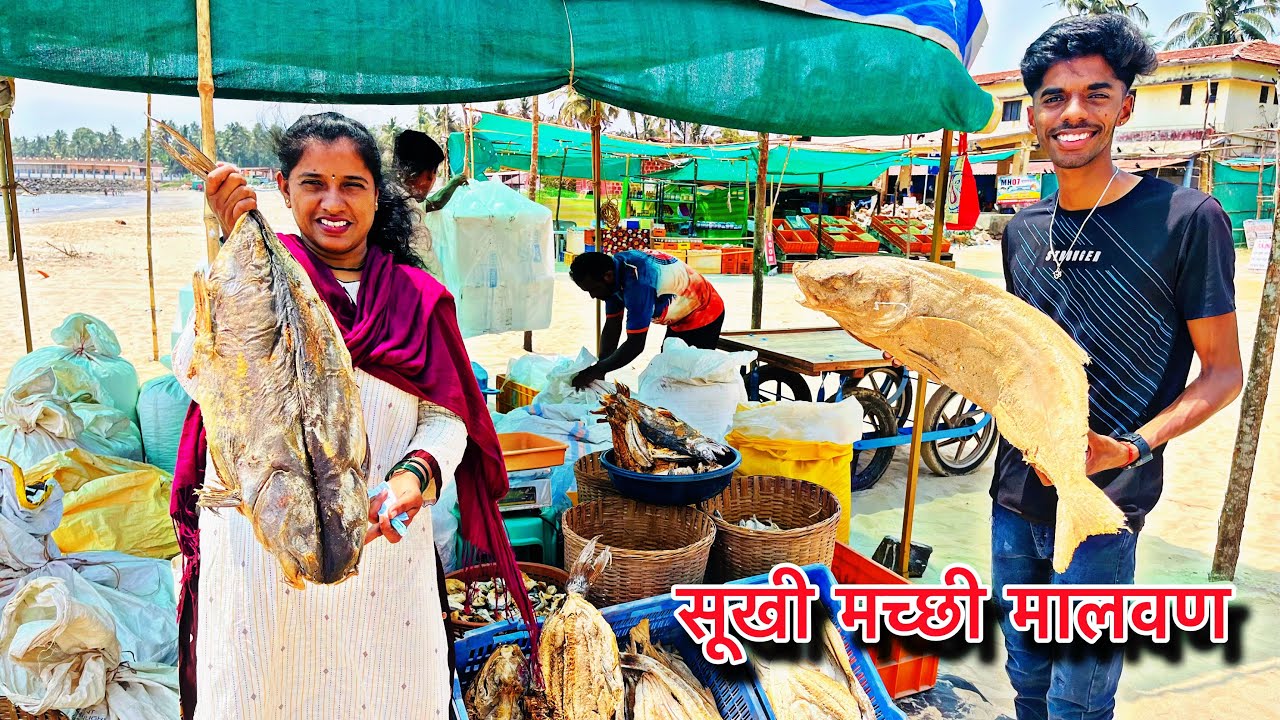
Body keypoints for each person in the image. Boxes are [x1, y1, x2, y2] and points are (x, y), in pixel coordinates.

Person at [169, 112, 535, 719]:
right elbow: (197, 371)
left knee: (387, 694)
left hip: (382, 544)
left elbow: (448, 417)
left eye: (352, 185)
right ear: (284, 189)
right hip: (263, 549)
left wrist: (412, 478)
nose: (332, 202)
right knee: (265, 693)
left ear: (375, 193)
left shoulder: (415, 295)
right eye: (313, 183)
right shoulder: (257, 273)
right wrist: (233, 245)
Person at [993, 16, 1242, 720]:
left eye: (1095, 95)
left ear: (1125, 107)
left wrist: (1129, 445)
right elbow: (1021, 360)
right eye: (1053, 97)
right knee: (1026, 679)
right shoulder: (1023, 229)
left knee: (1079, 696)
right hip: (1013, 494)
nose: (1072, 113)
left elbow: (1225, 373)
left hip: (1108, 501)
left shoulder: (1186, 218)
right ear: (1035, 116)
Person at [568, 249, 725, 389]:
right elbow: (612, 325)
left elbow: (635, 344)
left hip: (705, 313)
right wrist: (601, 366)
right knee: (670, 372)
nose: (593, 296)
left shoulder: (638, 283)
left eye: (594, 289)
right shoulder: (612, 274)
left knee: (689, 379)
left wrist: (598, 369)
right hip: (679, 318)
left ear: (608, 276)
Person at [393, 128, 468, 280]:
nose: (432, 181)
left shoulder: (402, 199)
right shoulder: (401, 211)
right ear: (423, 175)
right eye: (432, 174)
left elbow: (435, 203)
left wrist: (454, 183)